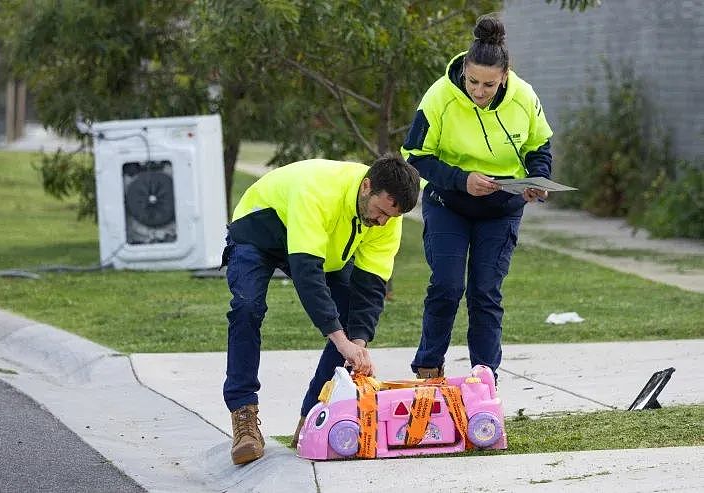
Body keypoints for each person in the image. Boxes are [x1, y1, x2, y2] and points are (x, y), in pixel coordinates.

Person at [221, 153, 420, 465]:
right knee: (247, 307)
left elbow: (371, 287)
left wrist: (358, 343)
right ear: (366, 186)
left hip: (321, 248)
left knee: (352, 325)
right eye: (381, 211)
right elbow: (307, 274)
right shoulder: (318, 190)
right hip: (259, 231)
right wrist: (340, 340)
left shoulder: (387, 220)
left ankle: (313, 416)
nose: (382, 222)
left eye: (390, 217)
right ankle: (244, 416)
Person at [400, 15, 553, 382]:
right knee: (447, 285)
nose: (479, 91)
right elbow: (415, 155)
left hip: (501, 210)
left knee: (485, 292)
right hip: (448, 203)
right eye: (472, 81)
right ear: (464, 71)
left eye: (488, 84)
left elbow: (539, 146)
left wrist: (537, 179)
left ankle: (484, 377)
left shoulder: (524, 97)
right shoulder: (439, 96)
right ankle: (428, 367)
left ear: (504, 76)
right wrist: (460, 179)